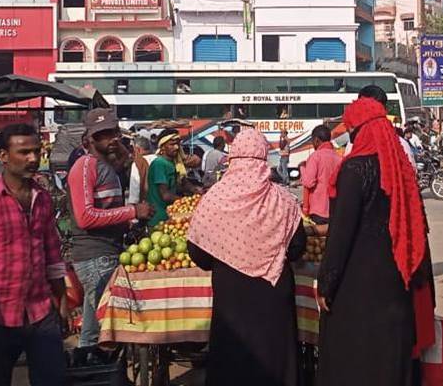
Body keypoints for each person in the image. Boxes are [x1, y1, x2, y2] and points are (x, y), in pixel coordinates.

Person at [317, 96, 436, 386]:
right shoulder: (401, 169)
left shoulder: (354, 170)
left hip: (357, 284)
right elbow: (418, 226)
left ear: (358, 130)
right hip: (396, 277)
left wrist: (326, 281)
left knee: (355, 353)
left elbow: (341, 234)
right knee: (391, 350)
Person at [187, 128, 307, 386]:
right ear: (263, 158)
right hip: (274, 290)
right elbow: (298, 247)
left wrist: (230, 253)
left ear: (233, 158)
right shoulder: (283, 200)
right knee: (276, 355)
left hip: (230, 293)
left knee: (232, 357)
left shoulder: (214, 198)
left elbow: (199, 254)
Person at [0, 123, 68, 386]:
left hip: (40, 311)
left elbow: (53, 255)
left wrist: (62, 304)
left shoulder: (41, 198)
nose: (32, 158)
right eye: (24, 152)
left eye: (36, 151)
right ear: (3, 156)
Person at [67, 108, 152, 354]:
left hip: (107, 253)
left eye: (114, 132)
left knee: (94, 331)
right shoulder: (85, 166)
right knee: (105, 329)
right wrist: (132, 212)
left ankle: (92, 369)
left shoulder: (106, 166)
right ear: (89, 140)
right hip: (95, 257)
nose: (112, 138)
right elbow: (86, 217)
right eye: (103, 135)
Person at [301, 125, 341, 223]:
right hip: (334, 210)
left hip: (318, 211)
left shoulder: (315, 157)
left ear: (317, 140)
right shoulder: (339, 158)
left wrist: (302, 168)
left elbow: (308, 182)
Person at [146, 132, 183, 226]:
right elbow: (165, 195)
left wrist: (195, 190)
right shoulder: (159, 164)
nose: (176, 147)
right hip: (159, 219)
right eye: (172, 144)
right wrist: (184, 200)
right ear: (162, 147)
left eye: (177, 144)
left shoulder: (172, 163)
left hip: (169, 216)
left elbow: (179, 184)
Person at [128, 136, 157, 205]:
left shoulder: (138, 163)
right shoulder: (160, 159)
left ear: (137, 149)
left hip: (147, 205)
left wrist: (133, 205)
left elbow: (135, 189)